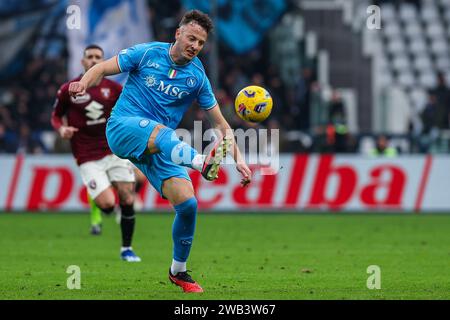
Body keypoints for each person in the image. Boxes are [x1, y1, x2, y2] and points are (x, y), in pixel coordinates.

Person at [68, 10, 252, 293]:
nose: (195, 46)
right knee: (166, 134)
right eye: (191, 38)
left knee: (188, 205)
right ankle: (202, 162)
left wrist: (240, 161)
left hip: (159, 147)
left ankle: (178, 270)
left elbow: (221, 125)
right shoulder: (146, 53)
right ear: (178, 34)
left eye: (201, 43)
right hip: (122, 128)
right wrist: (83, 83)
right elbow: (102, 68)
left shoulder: (197, 77)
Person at [51, 44, 141, 262]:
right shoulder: (68, 90)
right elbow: (55, 115)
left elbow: (128, 111)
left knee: (128, 196)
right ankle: (110, 209)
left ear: (102, 62)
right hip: (86, 155)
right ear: (83, 62)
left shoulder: (114, 89)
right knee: (107, 204)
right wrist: (61, 128)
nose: (93, 60)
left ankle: (126, 249)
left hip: (113, 150)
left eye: (97, 57)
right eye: (89, 57)